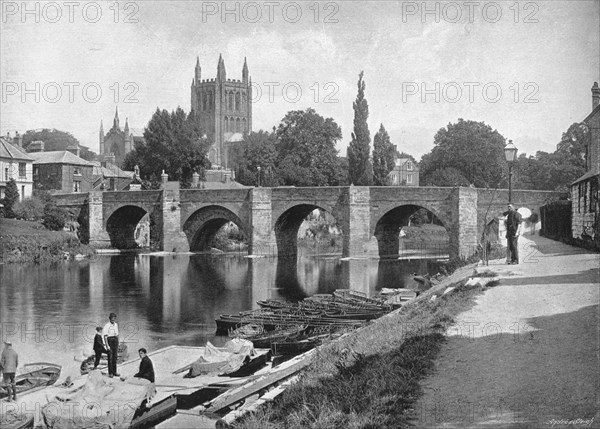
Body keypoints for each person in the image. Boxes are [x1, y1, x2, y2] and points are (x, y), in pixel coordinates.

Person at [103, 313, 120, 378]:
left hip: (115, 340)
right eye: (112, 318)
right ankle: (110, 373)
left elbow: (117, 334)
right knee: (110, 357)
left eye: (114, 318)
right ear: (110, 319)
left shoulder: (116, 325)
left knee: (115, 357)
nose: (113, 320)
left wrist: (118, 343)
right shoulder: (107, 325)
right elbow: (105, 336)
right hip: (109, 340)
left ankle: (114, 372)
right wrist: (107, 346)